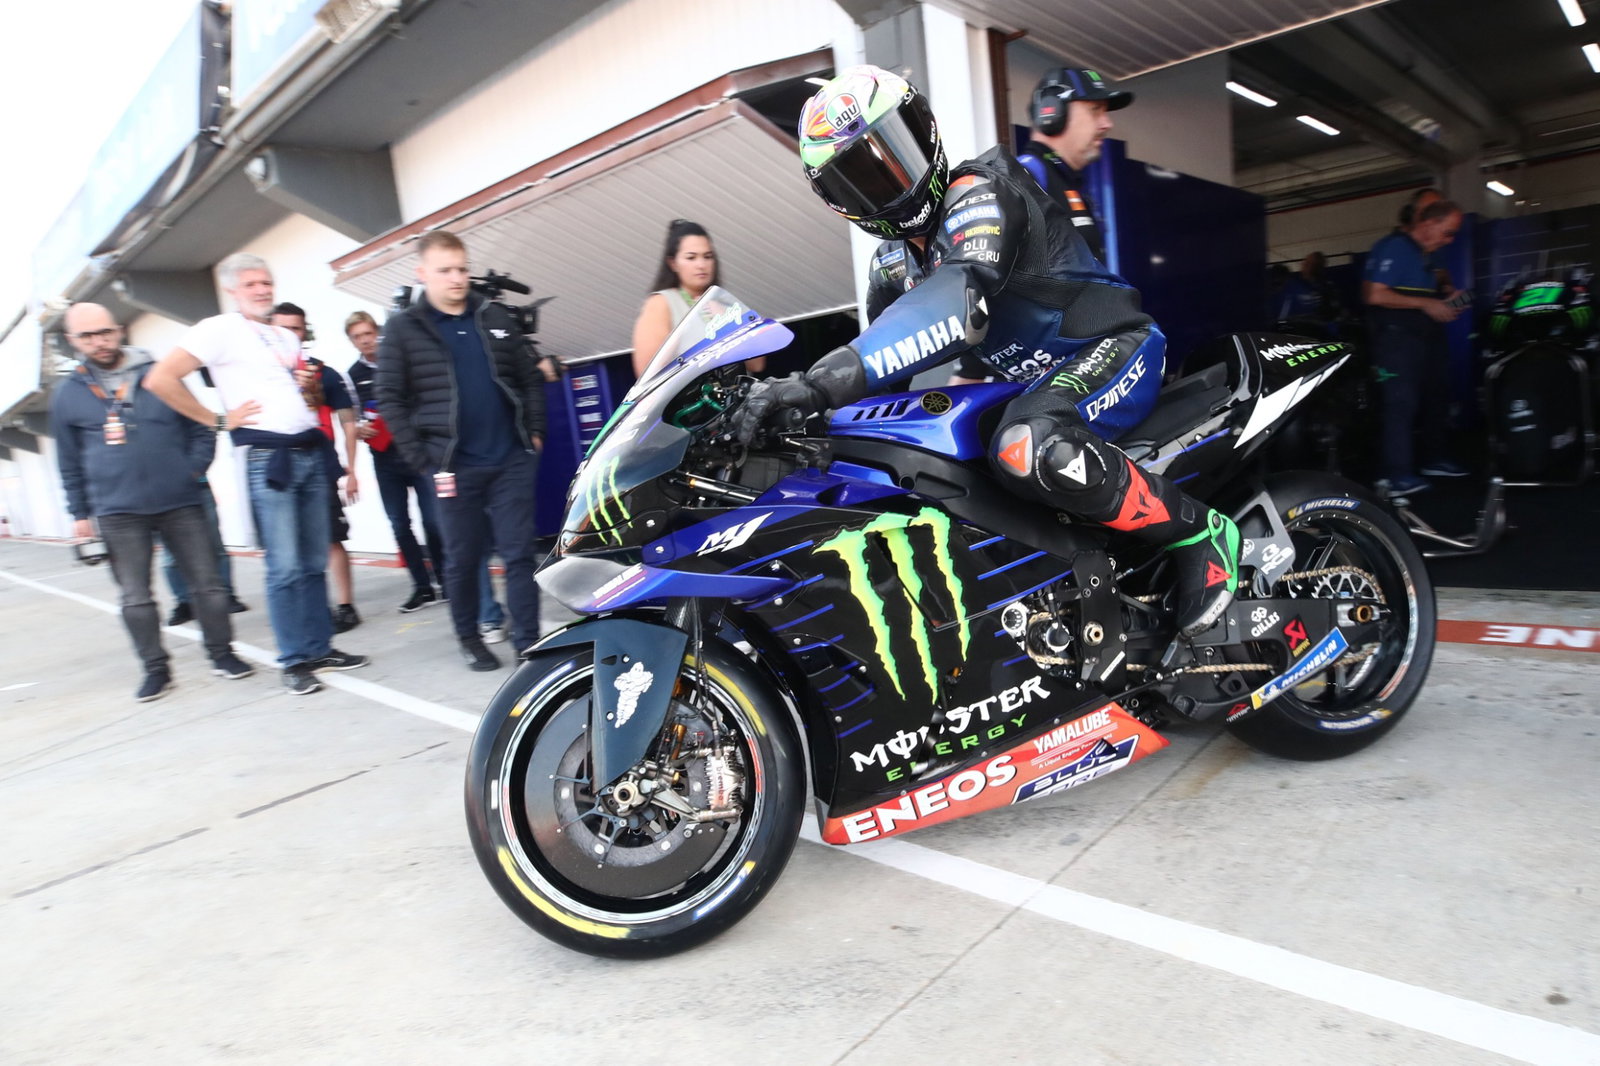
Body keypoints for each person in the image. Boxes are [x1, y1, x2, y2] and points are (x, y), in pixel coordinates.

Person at [737, 65, 1240, 638]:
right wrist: (801, 431)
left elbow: (958, 300)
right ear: (839, 202)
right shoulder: (892, 266)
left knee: (1026, 447)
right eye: (862, 178)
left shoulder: (983, 193)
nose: (892, 182)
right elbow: (878, 385)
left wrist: (812, 383)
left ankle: (1201, 534)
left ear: (926, 131)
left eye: (896, 151)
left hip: (1115, 349)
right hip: (1039, 386)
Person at [145, 253, 368, 695]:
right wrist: (216, 419)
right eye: (251, 284)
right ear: (232, 290)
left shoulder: (281, 335)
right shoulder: (217, 329)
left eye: (266, 282)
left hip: (307, 452)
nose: (262, 289)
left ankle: (319, 646)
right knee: (284, 564)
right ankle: (293, 659)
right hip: (268, 457)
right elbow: (160, 379)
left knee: (310, 561)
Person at [51, 302, 255, 701]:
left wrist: (191, 472)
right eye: (88, 336)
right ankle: (155, 669)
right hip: (117, 511)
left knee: (209, 586)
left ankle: (222, 654)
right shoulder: (67, 395)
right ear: (73, 341)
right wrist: (80, 513)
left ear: (120, 330)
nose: (99, 342)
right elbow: (69, 461)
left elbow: (202, 423)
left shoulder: (158, 374)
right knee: (135, 596)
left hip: (181, 499)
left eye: (105, 332)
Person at [375, 230, 547, 671]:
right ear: (422, 274)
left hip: (509, 458)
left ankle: (529, 641)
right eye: (445, 270)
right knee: (463, 557)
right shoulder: (403, 329)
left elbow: (528, 377)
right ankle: (469, 637)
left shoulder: (493, 316)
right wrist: (420, 459)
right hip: (451, 466)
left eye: (462, 268)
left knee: (518, 553)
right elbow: (389, 397)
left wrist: (534, 432)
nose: (456, 278)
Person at [945, 67, 1128, 387]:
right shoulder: (1026, 180)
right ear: (1052, 113)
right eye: (1095, 110)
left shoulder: (1068, 187)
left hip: (1083, 364)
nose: (1106, 124)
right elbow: (985, 277)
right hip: (1037, 381)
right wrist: (970, 373)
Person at [1362, 199, 1466, 495]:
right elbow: (1374, 295)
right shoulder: (1393, 246)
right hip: (1396, 337)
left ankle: (1433, 458)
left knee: (1437, 396)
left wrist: (1447, 297)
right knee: (1400, 402)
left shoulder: (1430, 254)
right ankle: (1393, 476)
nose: (1450, 240)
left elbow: (1435, 287)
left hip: (1426, 334)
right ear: (1429, 223)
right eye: (1447, 233)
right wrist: (1427, 303)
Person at [345, 310, 446, 612]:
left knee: (434, 521)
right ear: (352, 341)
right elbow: (351, 417)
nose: (365, 341)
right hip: (384, 458)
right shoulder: (352, 376)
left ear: (378, 332)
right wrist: (360, 427)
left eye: (368, 334)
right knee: (399, 524)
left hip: (417, 453)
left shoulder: (400, 361)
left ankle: (446, 579)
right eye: (357, 337)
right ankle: (422, 586)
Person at [270, 302, 362, 633]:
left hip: (319, 465)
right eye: (282, 328)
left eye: (295, 328)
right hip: (276, 466)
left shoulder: (324, 373)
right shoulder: (261, 375)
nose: (289, 335)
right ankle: (307, 610)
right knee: (287, 545)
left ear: (304, 331)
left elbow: (349, 422)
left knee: (330, 538)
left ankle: (345, 606)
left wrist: (351, 470)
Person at [630, 220, 764, 377]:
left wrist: (729, 324)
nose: (701, 265)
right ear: (673, 263)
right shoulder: (661, 303)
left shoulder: (726, 302)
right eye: (691, 258)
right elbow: (647, 374)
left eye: (707, 257)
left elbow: (757, 364)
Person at [1276, 252, 1341, 333]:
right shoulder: (1297, 286)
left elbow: (1330, 316)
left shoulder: (1325, 289)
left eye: (1306, 263)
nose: (1302, 265)